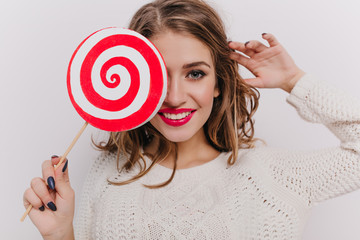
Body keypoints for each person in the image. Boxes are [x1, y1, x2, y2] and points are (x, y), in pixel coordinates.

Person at [23, 0, 360, 239]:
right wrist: (60, 234)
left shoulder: (276, 175)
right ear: (134, 83)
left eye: (195, 73)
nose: (173, 96)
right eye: (157, 77)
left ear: (219, 83)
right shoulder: (112, 173)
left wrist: (294, 80)